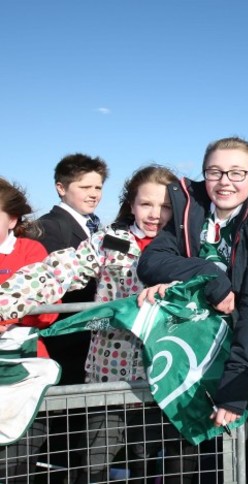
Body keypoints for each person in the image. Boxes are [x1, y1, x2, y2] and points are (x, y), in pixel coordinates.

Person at [0, 165, 188, 482]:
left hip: (165, 378)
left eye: (165, 206)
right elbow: (55, 271)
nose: (155, 214)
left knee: (154, 465)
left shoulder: (187, 246)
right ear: (131, 205)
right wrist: (6, 300)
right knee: (93, 466)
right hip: (109, 376)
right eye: (146, 204)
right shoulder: (109, 242)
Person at [137, 137, 248, 480]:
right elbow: (151, 261)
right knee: (185, 459)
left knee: (238, 458)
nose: (225, 181)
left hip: (240, 358)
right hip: (189, 359)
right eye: (215, 171)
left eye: (237, 172)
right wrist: (207, 274)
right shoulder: (188, 211)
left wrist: (235, 388)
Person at [0, 177, 57, 484]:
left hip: (23, 369)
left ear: (12, 218)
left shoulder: (30, 251)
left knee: (16, 463)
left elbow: (48, 310)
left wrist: (8, 315)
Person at [37, 153, 109, 385]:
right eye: (85, 186)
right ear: (61, 187)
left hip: (93, 333)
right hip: (67, 337)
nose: (94, 194)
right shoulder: (49, 227)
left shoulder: (97, 226)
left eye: (98, 187)